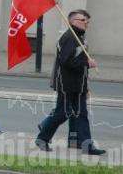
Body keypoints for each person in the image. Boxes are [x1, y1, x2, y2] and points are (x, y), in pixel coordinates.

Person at [35, 9, 106, 155]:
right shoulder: (69, 38)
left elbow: (78, 63)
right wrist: (86, 62)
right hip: (67, 84)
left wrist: (86, 87)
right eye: (83, 20)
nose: (86, 23)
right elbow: (67, 62)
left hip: (79, 86)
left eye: (87, 20)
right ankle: (42, 138)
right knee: (62, 113)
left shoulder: (80, 37)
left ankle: (86, 145)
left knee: (81, 114)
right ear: (73, 22)